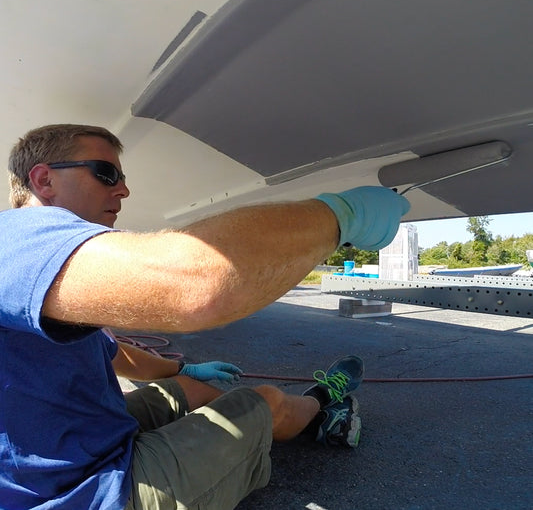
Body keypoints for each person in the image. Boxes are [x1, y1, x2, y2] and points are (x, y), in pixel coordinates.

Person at [0, 124, 410, 510]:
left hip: (80, 441)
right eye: (106, 174)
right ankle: (321, 408)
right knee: (261, 402)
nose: (123, 190)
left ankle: (261, 423)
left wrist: (187, 367)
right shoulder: (17, 239)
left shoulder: (39, 272)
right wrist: (341, 215)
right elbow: (201, 281)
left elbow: (114, 353)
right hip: (84, 492)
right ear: (44, 180)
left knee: (189, 388)